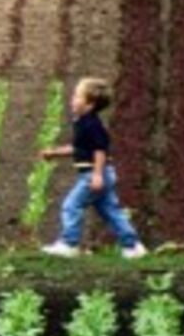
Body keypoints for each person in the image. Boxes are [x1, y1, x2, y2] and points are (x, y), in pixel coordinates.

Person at [40, 77, 148, 259]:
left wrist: (97, 175)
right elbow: (80, 148)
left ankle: (69, 243)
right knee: (110, 211)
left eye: (77, 96)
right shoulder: (83, 123)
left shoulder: (92, 125)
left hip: (94, 174)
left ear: (90, 104)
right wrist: (54, 153)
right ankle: (133, 246)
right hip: (100, 173)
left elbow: (100, 151)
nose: (72, 99)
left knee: (71, 205)